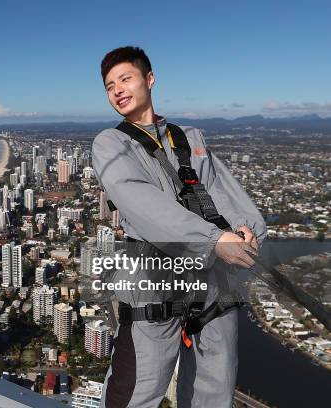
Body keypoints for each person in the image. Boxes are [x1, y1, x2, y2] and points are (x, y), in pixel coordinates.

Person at [91, 46, 267, 408]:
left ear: (149, 79)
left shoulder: (189, 138)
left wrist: (247, 228)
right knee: (139, 385)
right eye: (110, 86)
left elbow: (220, 190)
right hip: (155, 272)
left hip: (212, 274)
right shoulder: (111, 143)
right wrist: (213, 239)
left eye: (126, 79)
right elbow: (142, 205)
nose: (118, 90)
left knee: (215, 384)